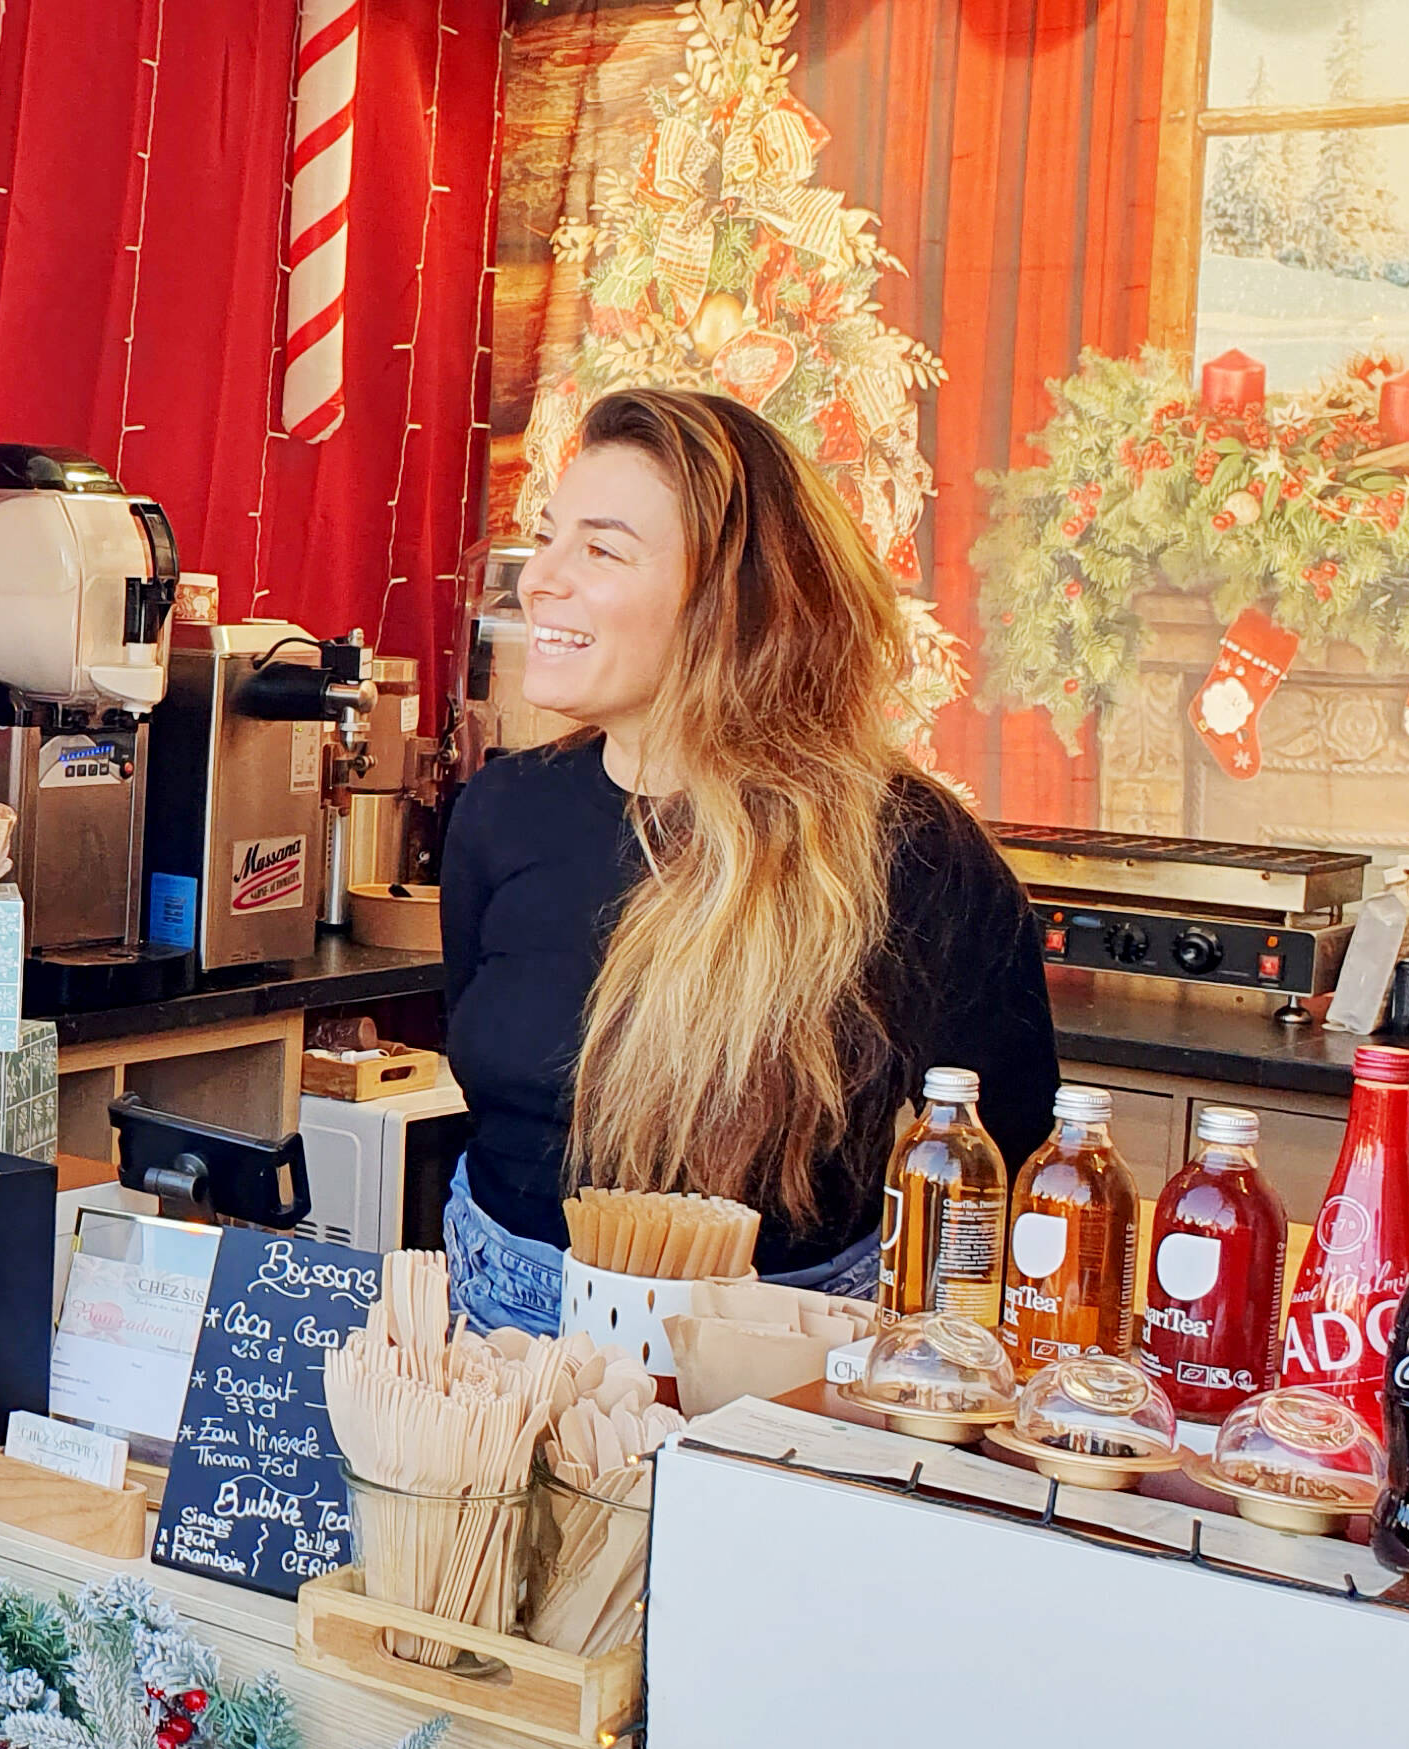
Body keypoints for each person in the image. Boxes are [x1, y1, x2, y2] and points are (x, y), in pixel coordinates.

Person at [441, 387, 1056, 1326]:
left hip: (772, 1373)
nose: (541, 579)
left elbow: (1003, 1170)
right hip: (492, 1335)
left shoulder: (910, 853)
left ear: (732, 605)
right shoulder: (501, 812)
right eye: (550, 535)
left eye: (601, 550)